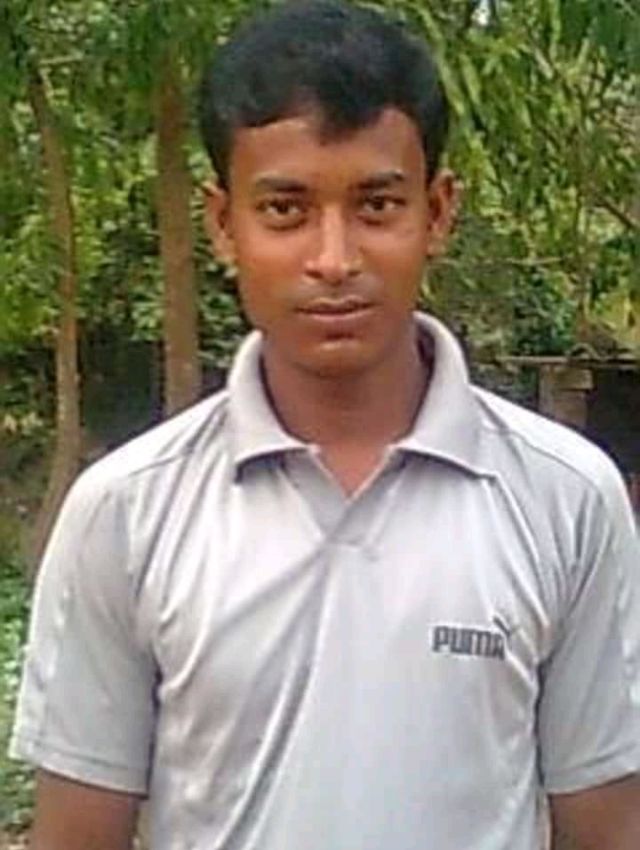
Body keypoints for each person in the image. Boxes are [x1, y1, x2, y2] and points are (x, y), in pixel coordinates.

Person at [11, 2, 640, 848]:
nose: (334, 260)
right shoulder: (124, 511)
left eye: (377, 205)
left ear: (438, 212)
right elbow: (76, 835)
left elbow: (605, 828)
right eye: (285, 210)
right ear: (223, 224)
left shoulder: (567, 499)